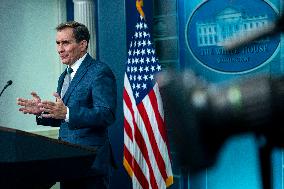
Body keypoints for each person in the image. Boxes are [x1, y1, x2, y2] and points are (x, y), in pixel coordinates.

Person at [17, 21, 117, 189]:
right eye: (58, 43)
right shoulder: (64, 76)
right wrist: (42, 111)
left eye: (66, 43)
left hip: (90, 162)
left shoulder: (99, 71)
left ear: (83, 44)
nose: (60, 49)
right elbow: (64, 118)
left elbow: (107, 114)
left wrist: (67, 113)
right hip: (66, 160)